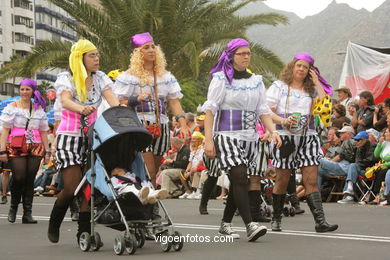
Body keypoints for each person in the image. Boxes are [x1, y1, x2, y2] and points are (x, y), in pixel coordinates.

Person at [202, 38, 281, 242]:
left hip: (250, 138)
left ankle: (225, 224)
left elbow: (263, 110)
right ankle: (250, 225)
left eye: (248, 53)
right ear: (231, 56)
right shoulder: (220, 79)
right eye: (242, 53)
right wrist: (208, 140)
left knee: (242, 180)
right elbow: (210, 110)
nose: (246, 56)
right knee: (239, 177)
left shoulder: (256, 81)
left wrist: (273, 131)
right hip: (226, 136)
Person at [47, 39, 121, 243]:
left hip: (92, 138)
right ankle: (54, 222)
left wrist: (122, 113)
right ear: (80, 58)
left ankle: (84, 231)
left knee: (90, 185)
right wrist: (81, 109)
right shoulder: (66, 78)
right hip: (69, 137)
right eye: (92, 55)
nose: (97, 59)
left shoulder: (101, 78)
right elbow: (65, 101)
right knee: (71, 187)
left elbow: (111, 99)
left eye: (97, 55)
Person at [266, 52, 338, 233]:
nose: (301, 69)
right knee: (282, 179)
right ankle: (276, 219)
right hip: (285, 136)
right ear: (292, 66)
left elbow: (325, 109)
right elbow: (266, 112)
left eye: (306, 67)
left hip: (308, 137)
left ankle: (320, 222)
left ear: (310, 71)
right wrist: (283, 121)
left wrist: (317, 82)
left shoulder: (312, 90)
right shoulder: (279, 86)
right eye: (299, 65)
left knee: (311, 180)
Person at [114, 32, 189, 188]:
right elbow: (117, 101)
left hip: (161, 127)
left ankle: (151, 207)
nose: (151, 50)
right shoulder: (128, 77)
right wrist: (136, 99)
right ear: (137, 53)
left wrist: (183, 125)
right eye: (146, 47)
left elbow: (174, 103)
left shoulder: (166, 76)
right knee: (148, 171)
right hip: (139, 126)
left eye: (153, 47)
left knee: (154, 173)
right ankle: (144, 205)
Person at [0, 78, 50, 224]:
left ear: (33, 91)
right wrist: (2, 150)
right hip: (17, 145)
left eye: (27, 89)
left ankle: (27, 213)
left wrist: (47, 152)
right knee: (19, 177)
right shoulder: (12, 107)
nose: (24, 92)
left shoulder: (38, 108)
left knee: (30, 180)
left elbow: (44, 132)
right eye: (22, 89)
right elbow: (5, 130)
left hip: (36, 146)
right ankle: (13, 208)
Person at [337, 131, 378, 204]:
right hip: (361, 169)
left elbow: (369, 160)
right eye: (355, 140)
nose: (356, 142)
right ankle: (349, 191)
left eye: (358, 140)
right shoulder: (358, 147)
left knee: (353, 166)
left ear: (365, 139)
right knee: (352, 166)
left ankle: (349, 193)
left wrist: (359, 164)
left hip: (370, 170)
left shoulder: (372, 146)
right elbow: (356, 161)